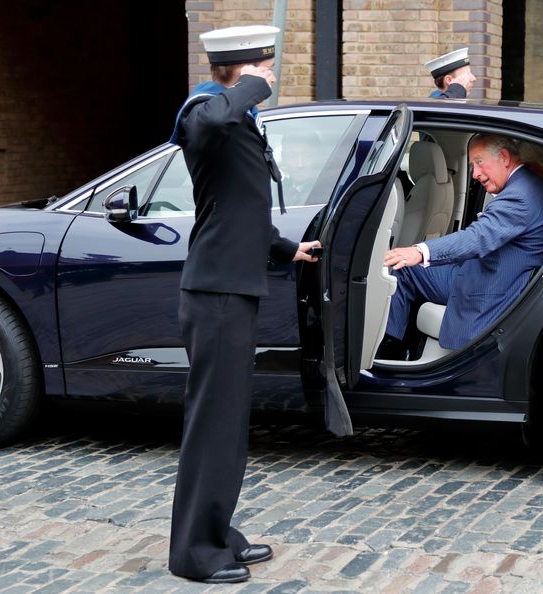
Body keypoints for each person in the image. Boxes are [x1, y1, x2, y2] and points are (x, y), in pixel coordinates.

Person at [167, 25, 321, 585]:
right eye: (264, 66)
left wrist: (287, 248)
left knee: (228, 426)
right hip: (216, 294)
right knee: (213, 425)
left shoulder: (237, 123)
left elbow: (239, 209)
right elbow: (208, 121)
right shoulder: (206, 113)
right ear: (243, 68)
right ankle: (194, 553)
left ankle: (217, 533)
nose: (273, 75)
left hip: (233, 288)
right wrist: (252, 87)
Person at [379, 134, 543, 356]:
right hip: (482, 270)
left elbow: (477, 237)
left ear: (504, 157)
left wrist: (419, 251)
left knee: (402, 265)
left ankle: (389, 352)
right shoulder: (529, 185)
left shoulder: (520, 196)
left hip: (491, 286)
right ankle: (393, 351)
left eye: (479, 162)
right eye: (472, 166)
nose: (475, 174)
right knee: (403, 268)